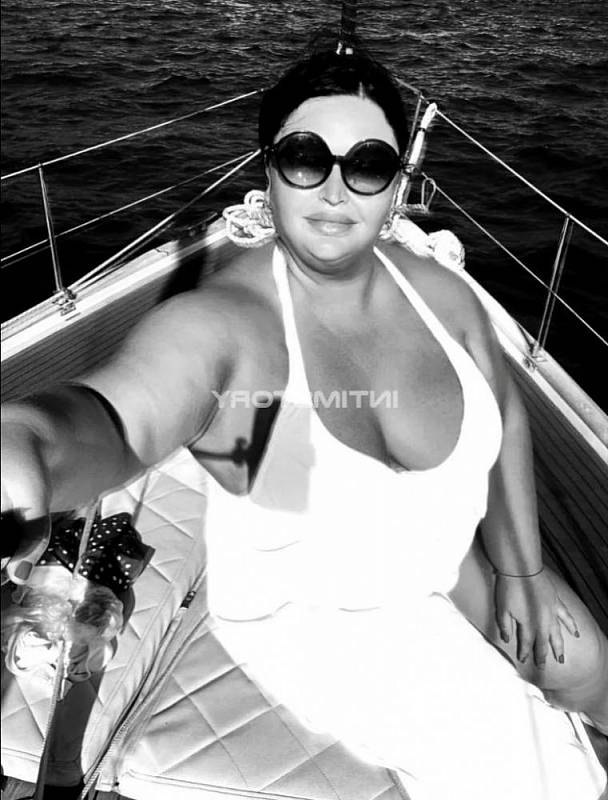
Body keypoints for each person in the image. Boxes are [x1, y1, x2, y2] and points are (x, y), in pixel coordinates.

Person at [1, 45, 607, 800]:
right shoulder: (224, 324)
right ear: (269, 169)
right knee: (529, 768)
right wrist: (24, 452)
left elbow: (506, 412)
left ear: (396, 182)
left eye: (368, 164)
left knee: (584, 664)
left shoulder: (440, 295)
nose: (334, 188)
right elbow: (114, 420)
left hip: (426, 550)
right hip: (318, 607)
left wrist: (524, 571)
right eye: (305, 157)